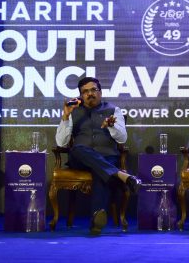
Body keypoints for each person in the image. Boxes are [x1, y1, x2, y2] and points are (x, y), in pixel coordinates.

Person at [55, 76, 142, 235]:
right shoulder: (73, 112)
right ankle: (122, 175)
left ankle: (96, 222)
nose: (90, 94)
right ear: (81, 95)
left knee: (100, 172)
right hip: (80, 158)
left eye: (93, 90)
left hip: (106, 157)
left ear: (100, 92)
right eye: (85, 91)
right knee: (78, 149)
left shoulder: (113, 110)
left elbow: (122, 139)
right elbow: (61, 143)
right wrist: (66, 116)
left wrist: (112, 126)